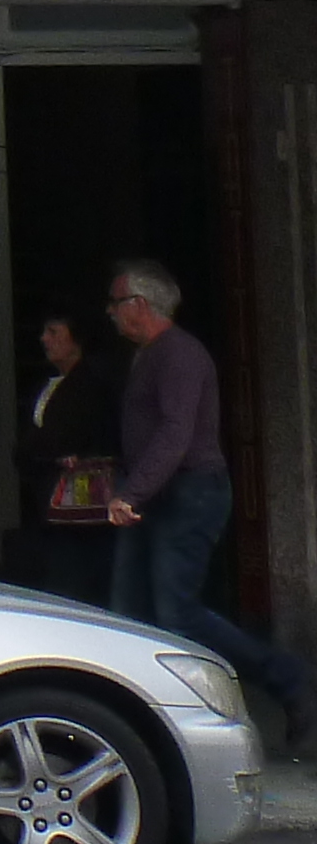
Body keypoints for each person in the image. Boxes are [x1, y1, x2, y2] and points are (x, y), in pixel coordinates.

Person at [104, 258, 317, 746]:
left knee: (176, 612)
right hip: (154, 496)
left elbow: (176, 433)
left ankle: (289, 679)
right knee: (128, 614)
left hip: (187, 493)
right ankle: (136, 723)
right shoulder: (148, 355)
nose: (110, 313)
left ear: (139, 304)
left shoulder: (179, 354)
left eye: (116, 303)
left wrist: (132, 492)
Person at [19, 310, 122, 529]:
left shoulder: (90, 384)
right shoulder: (50, 384)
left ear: (77, 340)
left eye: (53, 332)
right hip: (49, 495)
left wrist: (31, 449)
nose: (44, 339)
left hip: (81, 499)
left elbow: (64, 436)